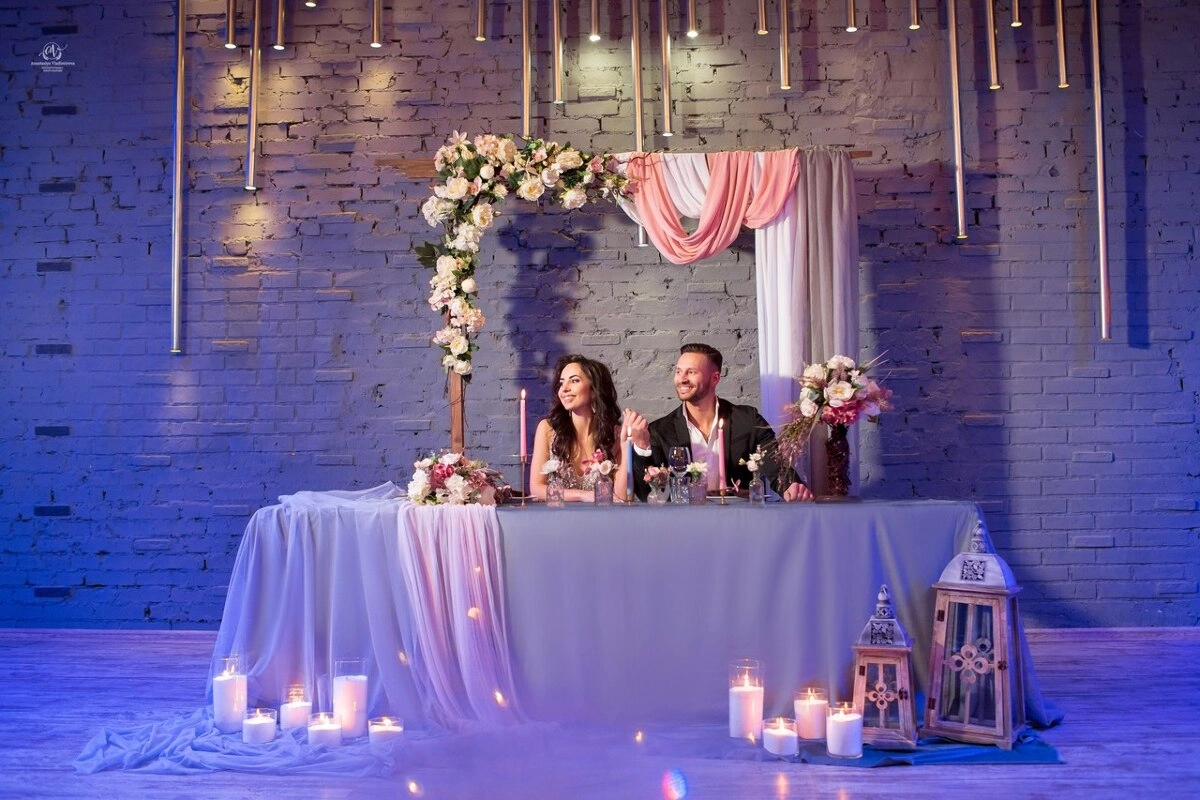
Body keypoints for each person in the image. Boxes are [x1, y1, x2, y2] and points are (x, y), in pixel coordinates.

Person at [625, 343, 814, 502]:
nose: (682, 379)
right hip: (684, 526)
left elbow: (776, 466)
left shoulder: (747, 420)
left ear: (715, 378)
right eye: (678, 372)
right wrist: (641, 447)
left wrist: (792, 487)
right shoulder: (660, 431)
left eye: (691, 372)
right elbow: (646, 494)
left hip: (738, 522)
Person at [529, 354, 630, 503]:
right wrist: (582, 495)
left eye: (574, 380)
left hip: (602, 517)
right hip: (558, 516)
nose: (564, 389)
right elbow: (536, 489)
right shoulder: (548, 429)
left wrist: (626, 447)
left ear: (594, 390)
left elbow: (623, 497)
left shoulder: (614, 434)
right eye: (561, 383)